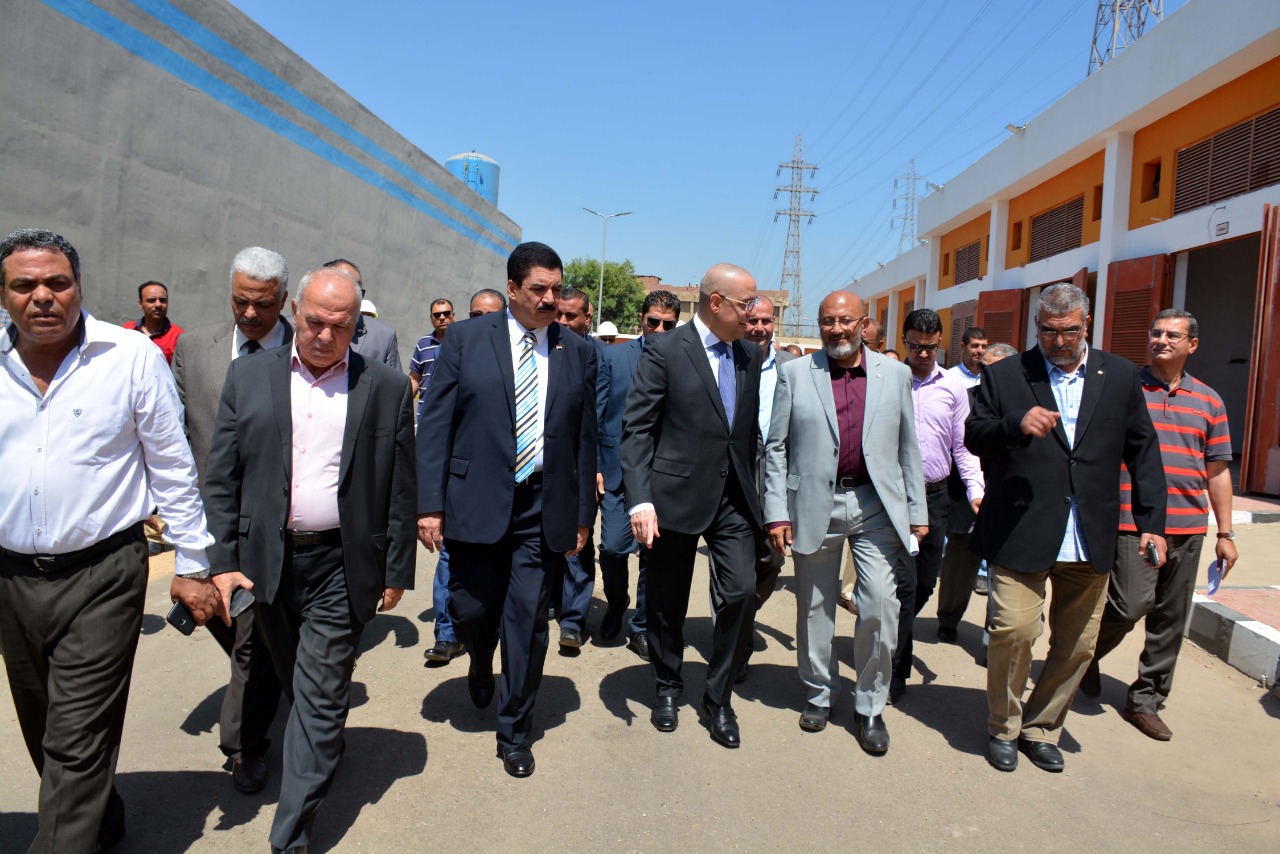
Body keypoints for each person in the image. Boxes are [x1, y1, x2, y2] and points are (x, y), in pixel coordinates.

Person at [0, 229, 240, 853]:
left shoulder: (129, 356)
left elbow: (172, 463)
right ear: (3, 295)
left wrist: (192, 563)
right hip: (12, 578)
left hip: (103, 574)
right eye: (24, 285)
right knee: (43, 726)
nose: (43, 296)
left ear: (79, 287)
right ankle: (100, 818)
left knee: (76, 737)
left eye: (57, 282)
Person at [203, 266, 416, 852]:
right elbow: (222, 477)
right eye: (315, 321)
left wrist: (396, 570)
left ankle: (290, 836)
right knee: (296, 681)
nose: (325, 335)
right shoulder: (249, 376)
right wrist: (220, 559)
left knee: (321, 692)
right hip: (266, 563)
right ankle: (321, 742)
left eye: (340, 326)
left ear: (357, 326)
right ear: (295, 310)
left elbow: (400, 487)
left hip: (341, 563)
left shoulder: (386, 388)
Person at [966, 283, 1167, 774]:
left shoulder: (1119, 375)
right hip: (1021, 527)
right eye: (1048, 331)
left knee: (1077, 644)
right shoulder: (1007, 374)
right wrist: (1015, 424)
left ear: (1086, 325)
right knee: (1013, 630)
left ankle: (1041, 728)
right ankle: (1004, 727)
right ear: (1036, 327)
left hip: (1089, 531)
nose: (1058, 341)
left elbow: (1142, 450)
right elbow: (974, 436)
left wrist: (1151, 523)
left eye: (1069, 331)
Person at [417, 242, 597, 779]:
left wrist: (583, 514)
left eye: (556, 289)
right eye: (539, 289)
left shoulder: (576, 350)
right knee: (472, 610)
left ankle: (515, 730)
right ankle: (479, 658)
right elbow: (436, 425)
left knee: (528, 621)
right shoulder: (466, 340)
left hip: (542, 505)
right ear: (513, 288)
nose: (550, 299)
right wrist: (429, 505)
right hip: (475, 500)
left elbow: (584, 437)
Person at [764, 290, 927, 754]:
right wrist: (777, 511)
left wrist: (917, 512)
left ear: (864, 323)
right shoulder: (796, 374)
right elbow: (776, 447)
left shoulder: (895, 375)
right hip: (814, 502)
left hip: (876, 504)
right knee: (815, 606)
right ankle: (818, 693)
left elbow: (908, 446)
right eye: (827, 321)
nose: (836, 329)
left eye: (845, 320)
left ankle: (870, 704)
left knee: (879, 605)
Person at [622, 262, 763, 748]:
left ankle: (718, 697)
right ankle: (667, 684)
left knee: (741, 592)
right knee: (667, 601)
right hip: (673, 497)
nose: (753, 313)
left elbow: (745, 431)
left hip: (733, 498)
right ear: (716, 303)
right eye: (746, 303)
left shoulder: (750, 354)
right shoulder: (665, 350)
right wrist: (640, 499)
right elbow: (638, 428)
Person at [1081, 309, 1238, 741]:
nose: (1162, 340)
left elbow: (1217, 470)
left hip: (1188, 525)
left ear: (1193, 345)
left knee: (1171, 617)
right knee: (1129, 604)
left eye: (1173, 335)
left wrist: (1225, 533)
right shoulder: (1123, 388)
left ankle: (1145, 700)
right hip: (1132, 521)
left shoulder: (1209, 401)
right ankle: (1081, 655)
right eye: (1156, 333)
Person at [171, 247, 291, 794]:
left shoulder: (309, 350)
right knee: (236, 628)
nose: (249, 313)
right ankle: (287, 687)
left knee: (251, 638)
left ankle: (244, 744)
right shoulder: (195, 347)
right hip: (207, 520)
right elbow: (172, 434)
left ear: (283, 300)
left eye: (262, 304)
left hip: (277, 527)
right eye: (240, 301)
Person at [891, 309, 983, 701]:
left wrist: (976, 489)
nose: (923, 354)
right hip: (893, 497)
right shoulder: (888, 380)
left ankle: (891, 628)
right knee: (905, 583)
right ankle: (896, 667)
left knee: (926, 581)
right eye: (916, 346)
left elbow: (963, 446)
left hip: (935, 496)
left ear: (940, 343)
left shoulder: (954, 388)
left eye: (930, 347)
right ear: (904, 342)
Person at [422, 289, 506, 666]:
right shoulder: (454, 349)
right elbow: (436, 424)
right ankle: (447, 634)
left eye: (489, 316)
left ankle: (486, 641)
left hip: (506, 490)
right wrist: (430, 501)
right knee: (450, 565)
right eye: (474, 316)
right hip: (462, 487)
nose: (481, 323)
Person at [597, 290, 681, 656]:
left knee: (655, 557)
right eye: (653, 322)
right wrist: (595, 466)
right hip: (617, 472)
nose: (660, 330)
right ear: (640, 321)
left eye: (668, 325)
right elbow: (597, 414)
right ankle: (617, 601)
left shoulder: (685, 360)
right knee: (614, 548)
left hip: (664, 475)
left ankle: (641, 626)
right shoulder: (614, 357)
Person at [936, 342, 1018, 647]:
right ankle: (948, 620)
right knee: (958, 567)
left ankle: (993, 637)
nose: (986, 374)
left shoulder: (1023, 404)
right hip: (966, 499)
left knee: (1005, 574)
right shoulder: (966, 399)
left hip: (1007, 498)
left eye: (994, 368)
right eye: (983, 368)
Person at [735, 295, 797, 679]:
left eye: (766, 321)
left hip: (776, 474)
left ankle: (742, 614)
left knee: (772, 560)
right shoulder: (728, 360)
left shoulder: (794, 367)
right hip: (735, 471)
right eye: (752, 320)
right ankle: (736, 642)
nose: (759, 328)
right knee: (735, 564)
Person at [552, 287, 600, 650]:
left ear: (587, 317)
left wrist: (597, 466)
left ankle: (573, 620)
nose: (564, 322)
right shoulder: (544, 350)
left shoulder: (597, 356)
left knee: (579, 543)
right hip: (545, 464)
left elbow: (601, 416)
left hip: (582, 466)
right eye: (559, 315)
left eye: (571, 316)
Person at [322, 259, 401, 370]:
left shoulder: (383, 337)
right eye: (341, 289)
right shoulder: (297, 326)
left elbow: (393, 380)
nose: (350, 297)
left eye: (357, 292)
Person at [409, 297, 455, 419]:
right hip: (426, 414)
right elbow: (414, 378)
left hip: (453, 415)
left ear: (453, 316)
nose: (442, 317)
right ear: (431, 318)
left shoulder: (463, 342)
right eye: (437, 315)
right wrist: (402, 403)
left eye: (446, 313)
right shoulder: (423, 343)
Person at [122, 280, 183, 363]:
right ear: (140, 304)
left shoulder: (177, 336)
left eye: (162, 300)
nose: (158, 304)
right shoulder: (126, 330)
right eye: (151, 300)